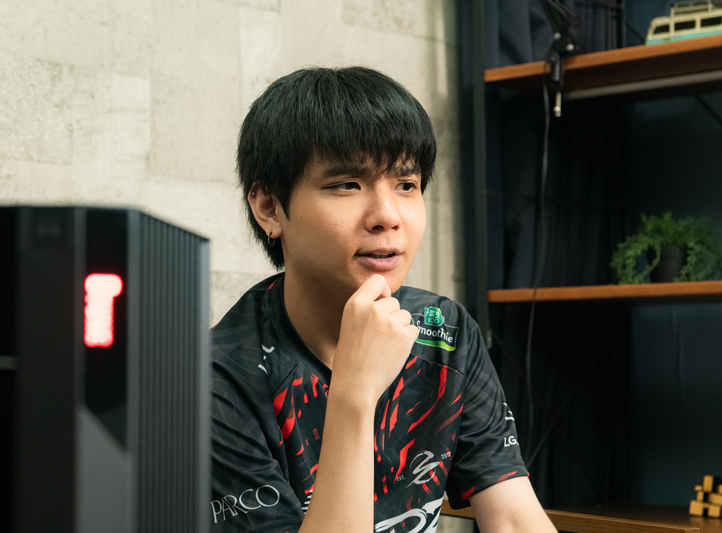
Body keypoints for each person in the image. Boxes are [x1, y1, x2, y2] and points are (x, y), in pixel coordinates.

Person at [210, 66, 556, 533]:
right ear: (269, 207)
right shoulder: (214, 380)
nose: (388, 216)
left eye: (406, 185)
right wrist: (355, 393)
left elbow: (514, 520)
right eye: (347, 184)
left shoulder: (441, 332)